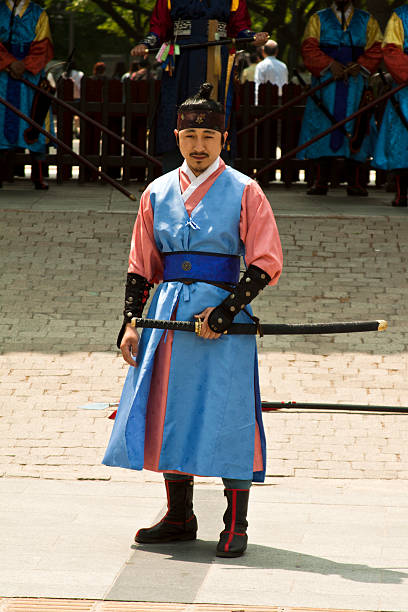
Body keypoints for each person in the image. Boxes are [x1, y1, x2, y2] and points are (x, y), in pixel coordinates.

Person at [103, 82, 283, 558]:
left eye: (208, 136)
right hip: (167, 319)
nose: (198, 145)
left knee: (229, 413)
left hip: (222, 320)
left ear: (224, 138)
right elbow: (141, 264)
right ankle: (179, 515)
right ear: (176, 138)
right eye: (189, 137)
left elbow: (265, 261)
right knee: (169, 409)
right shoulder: (157, 191)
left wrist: (224, 312)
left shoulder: (246, 190)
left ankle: (236, 522)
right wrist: (130, 322)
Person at [130, 0, 269, 172]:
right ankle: (174, 164)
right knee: (174, 109)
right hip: (180, 59)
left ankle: (218, 162)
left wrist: (253, 36)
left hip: (217, 56)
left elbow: (240, 27)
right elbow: (159, 26)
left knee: (217, 109)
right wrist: (146, 43)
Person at [297, 0, 382, 196]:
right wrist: (329, 64)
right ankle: (320, 180)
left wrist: (360, 65)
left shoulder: (366, 20)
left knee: (357, 125)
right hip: (326, 83)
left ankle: (354, 181)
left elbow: (377, 48)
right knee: (323, 126)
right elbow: (308, 48)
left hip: (355, 83)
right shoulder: (318, 18)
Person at [0, 0, 53, 189]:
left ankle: (37, 175)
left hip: (30, 77)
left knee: (34, 119)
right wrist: (7, 62)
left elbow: (43, 45)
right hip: (2, 77)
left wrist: (25, 65)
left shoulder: (39, 13)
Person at [372, 6, 408, 207]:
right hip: (404, 90)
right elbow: (391, 49)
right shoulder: (400, 16)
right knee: (402, 142)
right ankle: (402, 192)